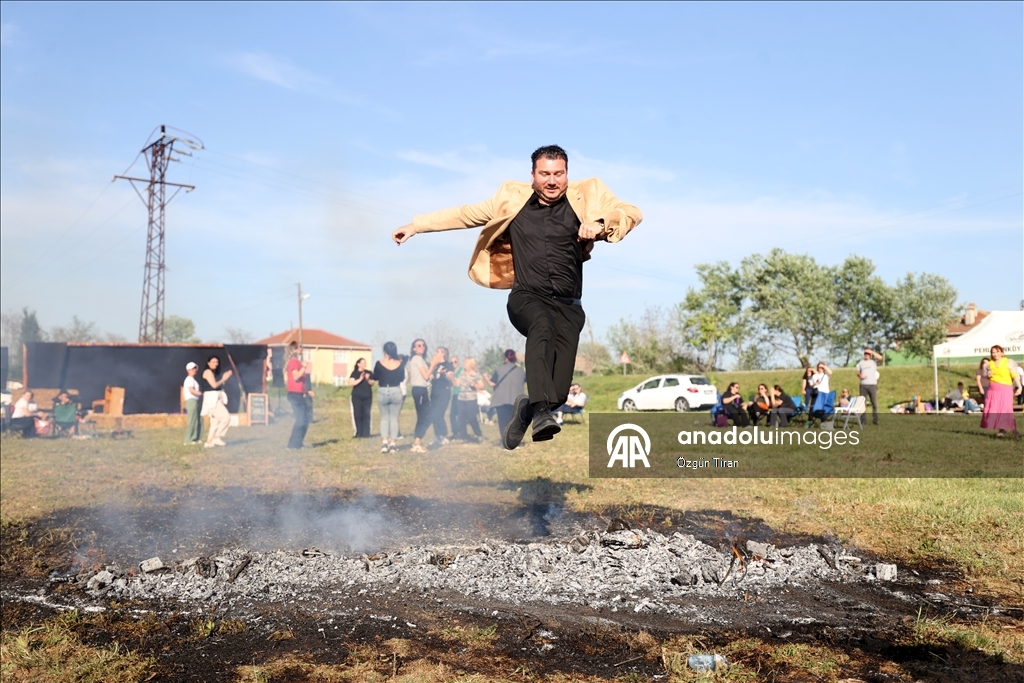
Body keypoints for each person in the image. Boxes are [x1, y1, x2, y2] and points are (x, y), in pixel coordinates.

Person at [392, 145, 642, 450]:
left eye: (558, 174)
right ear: (533, 175)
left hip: (569, 306)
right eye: (545, 174)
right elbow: (465, 214)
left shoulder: (587, 196)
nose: (552, 181)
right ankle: (539, 412)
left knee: (559, 394)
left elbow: (631, 213)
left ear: (567, 174)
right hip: (527, 296)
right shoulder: (511, 200)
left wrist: (600, 225)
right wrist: (416, 226)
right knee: (541, 326)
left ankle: (525, 409)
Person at [979, 345, 1022, 437]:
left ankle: (1014, 430)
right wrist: (988, 375)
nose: (995, 354)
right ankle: (1001, 430)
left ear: (1002, 353)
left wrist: (1019, 386)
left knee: (1006, 409)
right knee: (996, 409)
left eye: (997, 352)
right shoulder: (988, 364)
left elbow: (1014, 375)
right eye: (993, 352)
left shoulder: (1008, 362)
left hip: (1006, 388)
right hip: (993, 389)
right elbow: (986, 376)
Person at [374, 342, 407, 453]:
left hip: (383, 390)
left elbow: (375, 377)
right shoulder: (400, 364)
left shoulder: (379, 363)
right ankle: (393, 444)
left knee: (384, 418)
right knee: (394, 419)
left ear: (385, 351)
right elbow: (402, 378)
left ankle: (384, 443)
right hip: (396, 390)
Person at [489, 350, 527, 436]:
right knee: (515, 422)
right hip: (516, 400)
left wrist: (486, 378)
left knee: (503, 423)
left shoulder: (499, 369)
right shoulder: (521, 371)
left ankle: (505, 443)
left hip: (501, 400)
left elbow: (492, 383)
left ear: (506, 358)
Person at [283, 342, 312, 449]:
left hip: (300, 394)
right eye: (299, 347)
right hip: (294, 395)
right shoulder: (294, 362)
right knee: (300, 419)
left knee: (306, 418)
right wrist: (303, 367)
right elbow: (295, 377)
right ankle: (292, 445)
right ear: (294, 349)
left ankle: (299, 443)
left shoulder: (297, 362)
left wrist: (307, 391)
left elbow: (299, 382)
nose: (301, 349)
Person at [200, 356, 233, 448]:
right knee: (226, 417)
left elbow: (219, 385)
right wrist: (224, 378)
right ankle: (217, 436)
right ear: (208, 363)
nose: (215, 364)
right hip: (212, 399)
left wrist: (224, 377)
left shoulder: (215, 373)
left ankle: (209, 441)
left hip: (216, 397)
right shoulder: (207, 372)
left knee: (215, 421)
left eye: (217, 362)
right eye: (213, 362)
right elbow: (214, 385)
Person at [408, 339, 433, 454]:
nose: (422, 347)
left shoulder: (420, 359)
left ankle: (418, 440)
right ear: (414, 349)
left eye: (423, 345)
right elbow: (426, 376)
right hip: (419, 389)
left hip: (422, 389)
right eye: (418, 346)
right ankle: (417, 442)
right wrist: (433, 364)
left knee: (425, 415)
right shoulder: (417, 359)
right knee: (425, 416)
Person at [428, 347, 454, 448]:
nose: (436, 353)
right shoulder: (434, 365)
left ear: (443, 354)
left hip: (444, 392)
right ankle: (437, 436)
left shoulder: (448, 365)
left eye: (438, 351)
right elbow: (430, 377)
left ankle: (443, 435)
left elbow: (450, 376)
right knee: (433, 414)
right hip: (434, 392)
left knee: (439, 414)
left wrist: (446, 374)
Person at [454, 357, 485, 442]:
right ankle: (464, 436)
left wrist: (474, 385)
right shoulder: (461, 373)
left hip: (471, 399)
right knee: (461, 418)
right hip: (461, 399)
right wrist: (451, 378)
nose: (464, 364)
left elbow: (482, 386)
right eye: (464, 362)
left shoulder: (475, 374)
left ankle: (479, 434)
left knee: (471, 418)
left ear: (471, 364)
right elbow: (457, 384)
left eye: (465, 362)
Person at [348, 358, 375, 438]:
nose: (364, 364)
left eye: (365, 363)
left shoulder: (369, 372)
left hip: (367, 397)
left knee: (367, 414)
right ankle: (358, 432)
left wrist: (367, 379)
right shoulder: (355, 373)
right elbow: (351, 383)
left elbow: (372, 383)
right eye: (362, 363)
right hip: (357, 397)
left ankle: (366, 433)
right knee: (357, 414)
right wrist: (360, 379)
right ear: (358, 364)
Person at [856, 348, 883, 426]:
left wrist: (872, 352)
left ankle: (875, 420)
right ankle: (863, 420)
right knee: (862, 403)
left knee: (874, 403)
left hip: (872, 384)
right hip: (863, 385)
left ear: (870, 355)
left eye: (868, 354)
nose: (866, 355)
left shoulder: (873, 362)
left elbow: (880, 358)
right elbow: (858, 372)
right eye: (865, 353)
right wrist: (860, 375)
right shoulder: (861, 363)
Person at [182, 362, 202, 444]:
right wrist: (201, 393)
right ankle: (188, 440)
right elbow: (192, 390)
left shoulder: (193, 379)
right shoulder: (189, 379)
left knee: (198, 420)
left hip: (195, 400)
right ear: (188, 370)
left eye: (195, 368)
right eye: (193, 368)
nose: (194, 370)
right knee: (192, 420)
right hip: (191, 400)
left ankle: (195, 438)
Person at [449, 355, 462, 435]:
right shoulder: (452, 371)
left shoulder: (461, 370)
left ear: (458, 361)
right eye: (452, 362)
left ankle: (459, 431)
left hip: (460, 394)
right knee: (453, 415)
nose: (453, 363)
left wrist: (452, 377)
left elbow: (457, 384)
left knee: (458, 414)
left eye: (455, 361)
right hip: (454, 394)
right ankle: (455, 432)